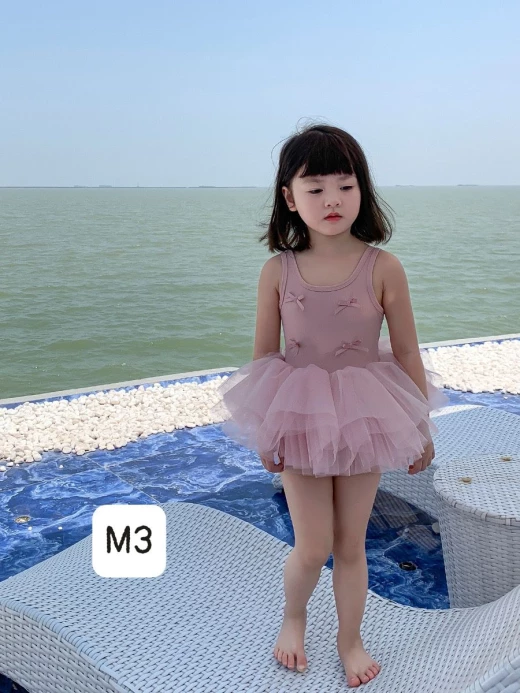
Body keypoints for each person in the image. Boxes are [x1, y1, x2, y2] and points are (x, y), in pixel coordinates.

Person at [214, 123, 449, 688]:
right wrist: (266, 431)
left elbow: (408, 351)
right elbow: (264, 357)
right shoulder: (277, 270)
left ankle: (350, 640)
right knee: (312, 543)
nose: (332, 199)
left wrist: (419, 425)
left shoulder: (383, 267)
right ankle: (293, 618)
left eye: (345, 185)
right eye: (315, 188)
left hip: (368, 414)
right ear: (290, 198)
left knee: (350, 544)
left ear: (362, 190)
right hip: (298, 416)